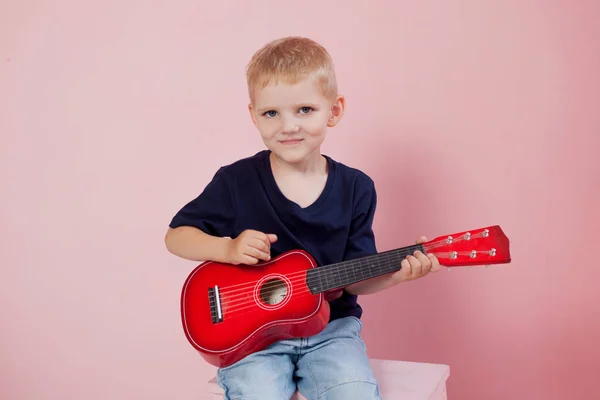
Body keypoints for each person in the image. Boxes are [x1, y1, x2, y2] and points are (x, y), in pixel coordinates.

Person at [165, 36, 441, 400]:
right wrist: (228, 248)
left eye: (305, 110)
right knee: (257, 392)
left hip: (331, 331)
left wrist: (395, 276)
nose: (288, 126)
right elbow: (176, 236)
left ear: (335, 110)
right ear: (253, 116)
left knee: (355, 393)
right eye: (271, 113)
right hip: (252, 338)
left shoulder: (356, 188)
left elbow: (356, 277)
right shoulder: (236, 181)